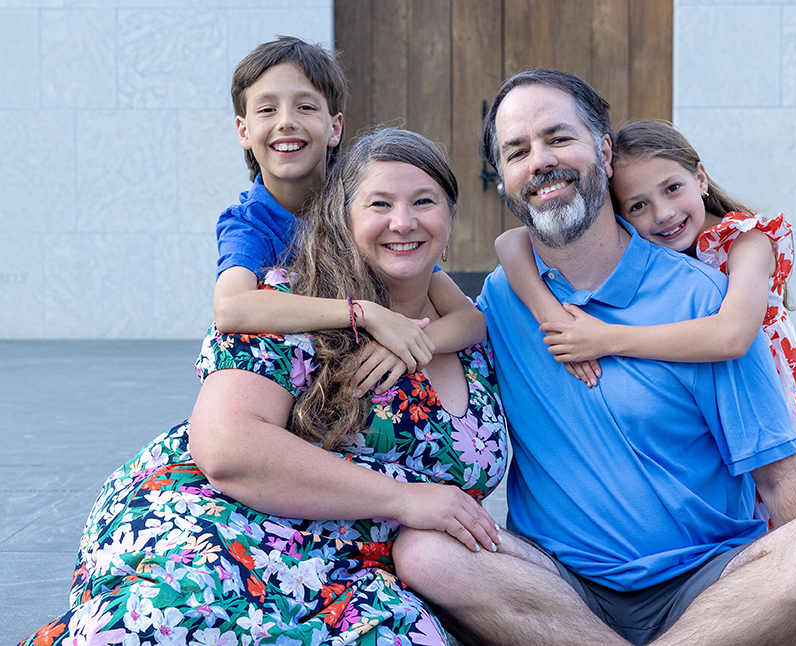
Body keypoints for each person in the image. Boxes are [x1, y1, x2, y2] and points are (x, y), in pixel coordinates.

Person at [392, 69, 796, 646]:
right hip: (558, 586)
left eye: (558, 137)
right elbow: (414, 271)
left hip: (710, 581)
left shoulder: (698, 297)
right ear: (504, 180)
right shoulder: (502, 298)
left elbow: (779, 476)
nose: (540, 160)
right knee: (424, 549)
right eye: (517, 151)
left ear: (604, 149)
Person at [20, 128, 507, 646]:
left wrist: (421, 341)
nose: (402, 222)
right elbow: (228, 448)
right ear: (344, 220)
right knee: (166, 624)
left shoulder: (470, 328)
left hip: (362, 572)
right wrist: (405, 499)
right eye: (379, 203)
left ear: (451, 221)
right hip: (229, 526)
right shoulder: (292, 302)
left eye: (424, 202)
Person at [494, 118, 796, 520]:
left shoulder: (746, 240)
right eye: (638, 206)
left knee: (777, 509)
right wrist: (549, 313)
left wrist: (606, 338)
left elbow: (733, 336)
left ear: (700, 177)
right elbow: (510, 242)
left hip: (763, 392)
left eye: (672, 189)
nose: (664, 214)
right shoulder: (656, 263)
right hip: (706, 396)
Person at [215, 36, 484, 394]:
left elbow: (469, 319)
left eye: (306, 107)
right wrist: (364, 313)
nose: (286, 122)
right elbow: (232, 307)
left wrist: (411, 343)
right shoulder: (251, 222)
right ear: (243, 131)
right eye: (267, 110)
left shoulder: (366, 205)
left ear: (335, 127)